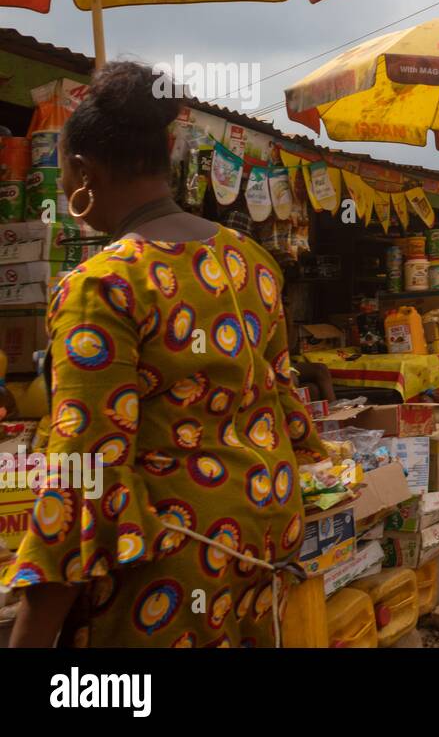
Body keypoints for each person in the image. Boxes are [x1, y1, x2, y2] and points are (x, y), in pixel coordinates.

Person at [3, 61, 326, 648]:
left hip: (175, 559)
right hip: (266, 525)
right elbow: (280, 396)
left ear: (80, 170)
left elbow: (85, 472)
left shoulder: (102, 285)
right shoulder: (250, 259)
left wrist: (31, 631)